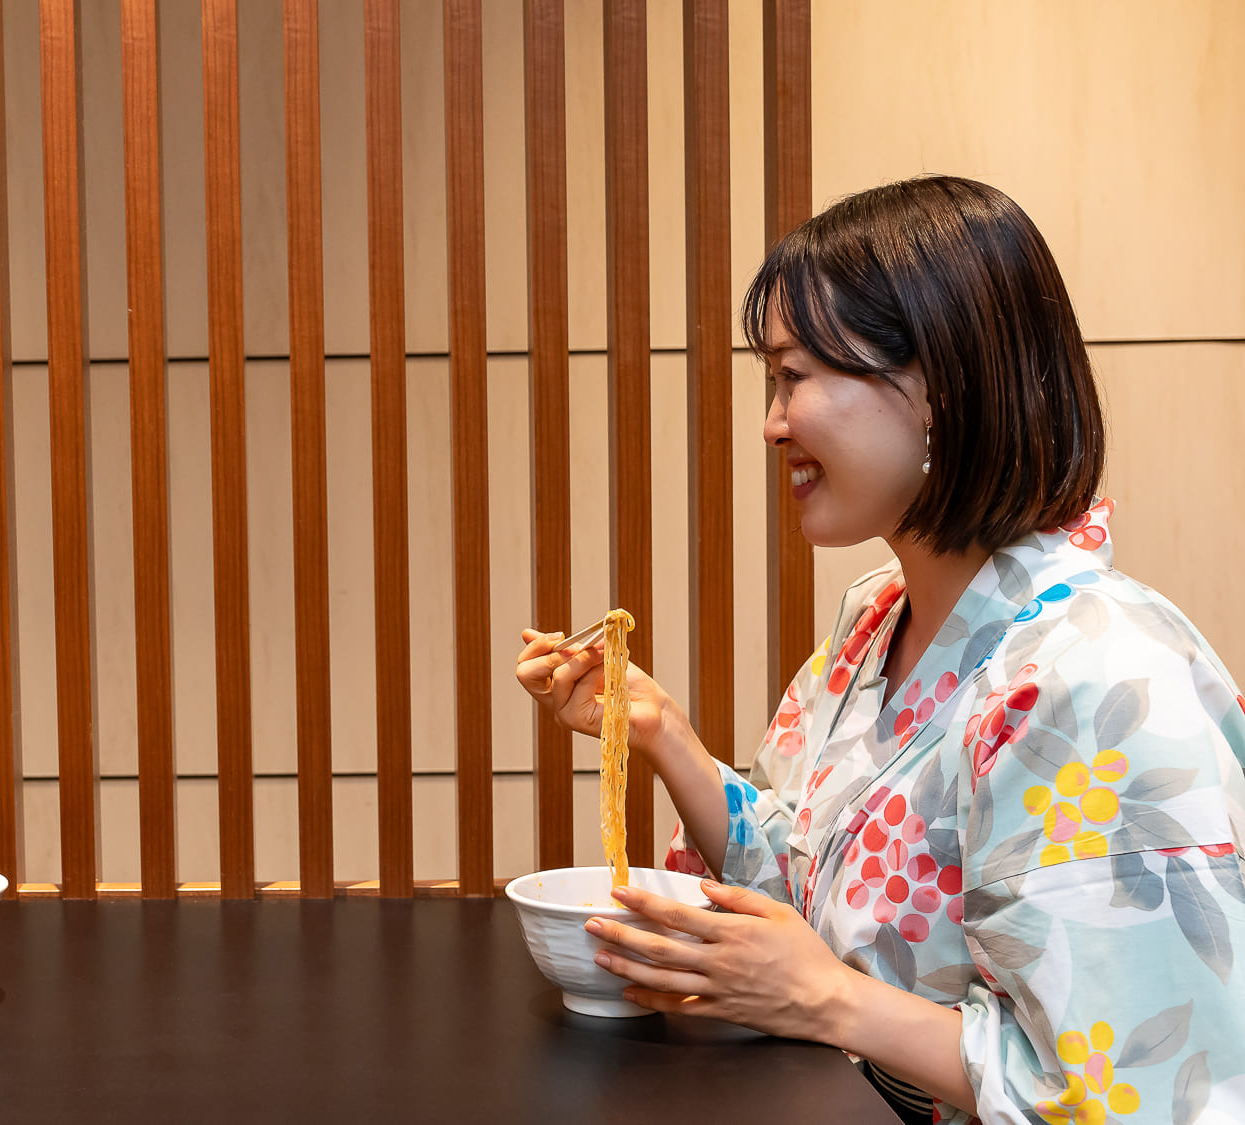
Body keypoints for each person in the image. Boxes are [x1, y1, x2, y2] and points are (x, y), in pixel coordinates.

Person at [517, 176, 1245, 1124]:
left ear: (939, 386)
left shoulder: (1101, 677)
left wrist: (828, 1000)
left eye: (796, 376)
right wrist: (660, 733)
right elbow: (808, 897)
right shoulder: (877, 617)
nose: (773, 422)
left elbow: (1143, 1094)